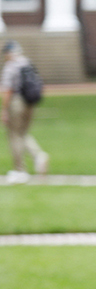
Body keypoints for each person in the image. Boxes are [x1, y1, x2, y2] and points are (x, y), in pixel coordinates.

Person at [1, 41, 48, 184]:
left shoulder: (10, 66)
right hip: (30, 102)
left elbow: (8, 90)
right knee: (23, 134)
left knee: (14, 135)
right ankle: (38, 156)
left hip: (17, 102)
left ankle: (20, 170)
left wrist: (4, 110)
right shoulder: (27, 63)